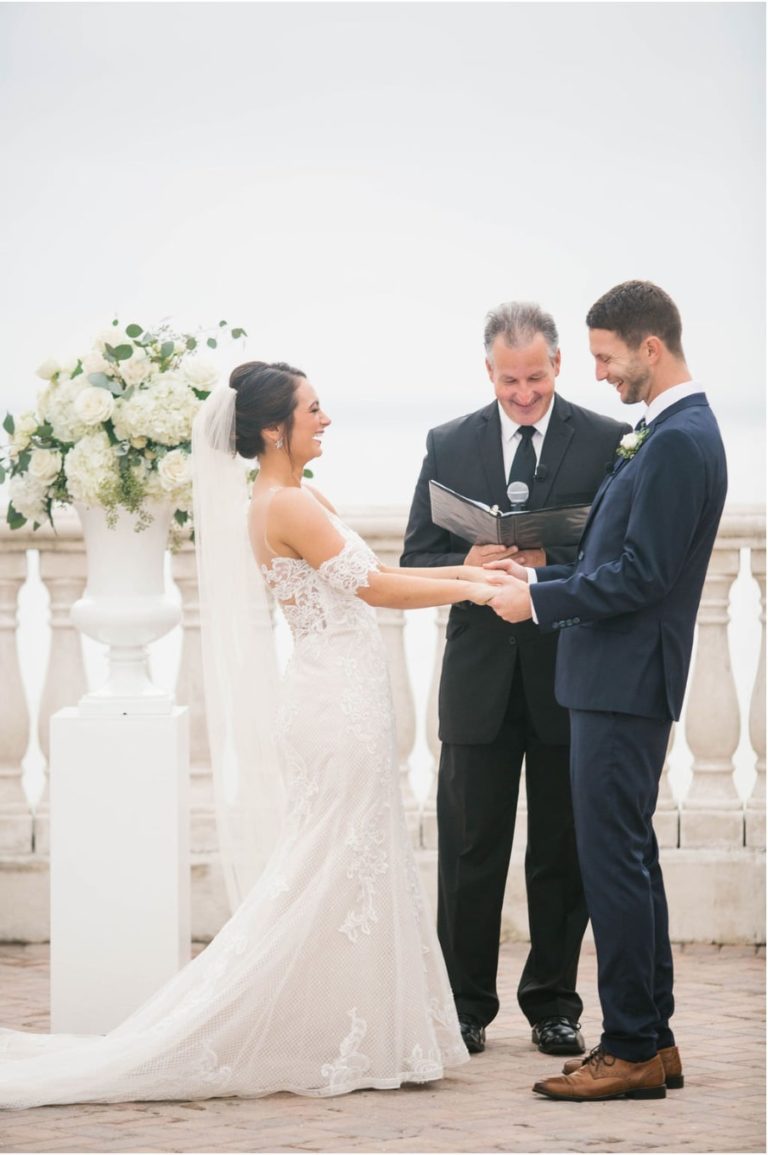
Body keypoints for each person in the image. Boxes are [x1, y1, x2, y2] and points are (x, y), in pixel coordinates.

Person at [0, 360, 502, 1108]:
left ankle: (361, 1027)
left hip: (345, 696)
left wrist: (463, 564)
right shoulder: (282, 505)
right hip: (336, 704)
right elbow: (374, 589)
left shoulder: (299, 496)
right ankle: (288, 1020)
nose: (325, 418)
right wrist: (473, 588)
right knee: (327, 866)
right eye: (313, 409)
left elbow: (370, 569)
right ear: (274, 428)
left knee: (347, 864)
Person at [486, 281, 727, 1101]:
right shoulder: (667, 433)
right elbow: (621, 561)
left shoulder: (678, 440)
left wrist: (540, 600)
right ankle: (652, 1039)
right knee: (631, 858)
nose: (596, 374)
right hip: (616, 676)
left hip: (624, 681)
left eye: (603, 357)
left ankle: (626, 1046)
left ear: (648, 347)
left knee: (611, 862)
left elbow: (644, 576)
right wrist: (550, 572)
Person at [401, 303, 629, 1058]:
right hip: (477, 679)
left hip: (567, 673)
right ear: (488, 372)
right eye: (509, 381)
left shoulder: (605, 441)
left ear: (558, 365)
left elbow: (615, 562)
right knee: (469, 848)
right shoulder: (449, 442)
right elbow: (413, 560)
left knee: (562, 849)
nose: (523, 393)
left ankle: (554, 1005)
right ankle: (463, 1005)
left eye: (535, 378)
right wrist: (468, 568)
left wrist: (546, 570)